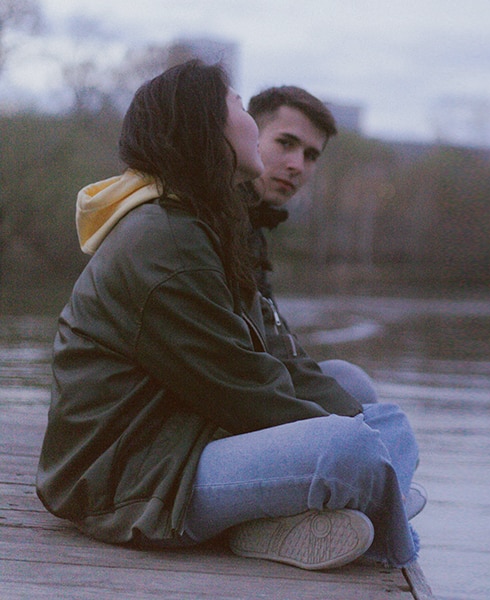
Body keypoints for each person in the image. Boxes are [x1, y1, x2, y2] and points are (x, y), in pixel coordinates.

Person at [35, 60, 422, 573]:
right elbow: (241, 386)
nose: (252, 124)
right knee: (353, 449)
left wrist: (361, 427)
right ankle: (381, 536)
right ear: (205, 128)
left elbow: (276, 353)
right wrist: (354, 440)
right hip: (123, 477)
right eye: (238, 106)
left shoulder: (206, 223)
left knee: (385, 422)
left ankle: (274, 522)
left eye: (311, 155)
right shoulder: (165, 241)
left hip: (183, 435)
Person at [242, 85, 382, 408]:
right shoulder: (221, 219)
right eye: (286, 143)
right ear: (251, 137)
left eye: (311, 155)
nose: (297, 165)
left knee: (349, 381)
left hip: (248, 393)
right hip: (189, 431)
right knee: (358, 409)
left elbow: (274, 342)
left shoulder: (253, 226)